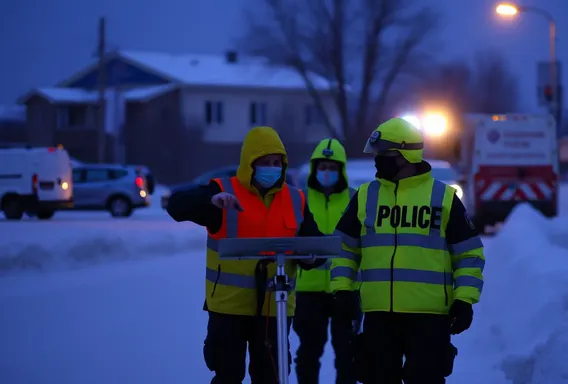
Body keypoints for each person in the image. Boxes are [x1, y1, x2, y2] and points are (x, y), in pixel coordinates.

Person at [330, 118, 486, 384]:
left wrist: (465, 300)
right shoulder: (366, 196)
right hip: (379, 316)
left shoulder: (443, 198)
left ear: (405, 155)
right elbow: (344, 248)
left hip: (430, 318)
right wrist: (342, 290)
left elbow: (469, 255)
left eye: (384, 155)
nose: (378, 160)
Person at [166, 126, 325, 384]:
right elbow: (176, 205)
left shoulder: (295, 200)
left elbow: (317, 247)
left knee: (270, 376)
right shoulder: (223, 191)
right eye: (265, 162)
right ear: (250, 163)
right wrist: (210, 201)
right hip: (230, 310)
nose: (272, 168)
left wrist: (310, 258)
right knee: (228, 375)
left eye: (277, 162)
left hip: (275, 309)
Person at [294, 138, 361, 384]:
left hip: (346, 289)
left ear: (341, 169)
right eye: (322, 167)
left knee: (348, 353)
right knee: (309, 353)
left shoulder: (356, 200)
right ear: (314, 168)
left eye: (333, 167)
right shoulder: (299, 201)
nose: (327, 172)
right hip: (308, 289)